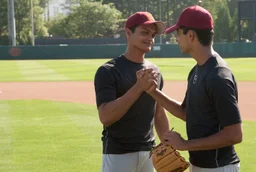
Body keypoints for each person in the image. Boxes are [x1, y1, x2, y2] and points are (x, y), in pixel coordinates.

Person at [140, 5, 243, 172]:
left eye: (178, 33)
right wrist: (153, 91)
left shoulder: (218, 76)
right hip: (200, 165)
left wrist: (185, 144)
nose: (176, 39)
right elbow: (186, 113)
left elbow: (234, 134)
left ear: (191, 35)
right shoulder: (197, 70)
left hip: (219, 167)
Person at [93, 11, 170, 172]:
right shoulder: (108, 71)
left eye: (152, 34)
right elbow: (106, 117)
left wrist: (167, 146)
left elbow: (159, 114)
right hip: (118, 154)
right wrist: (138, 87)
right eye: (144, 32)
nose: (150, 38)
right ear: (128, 33)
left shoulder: (155, 71)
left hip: (149, 153)